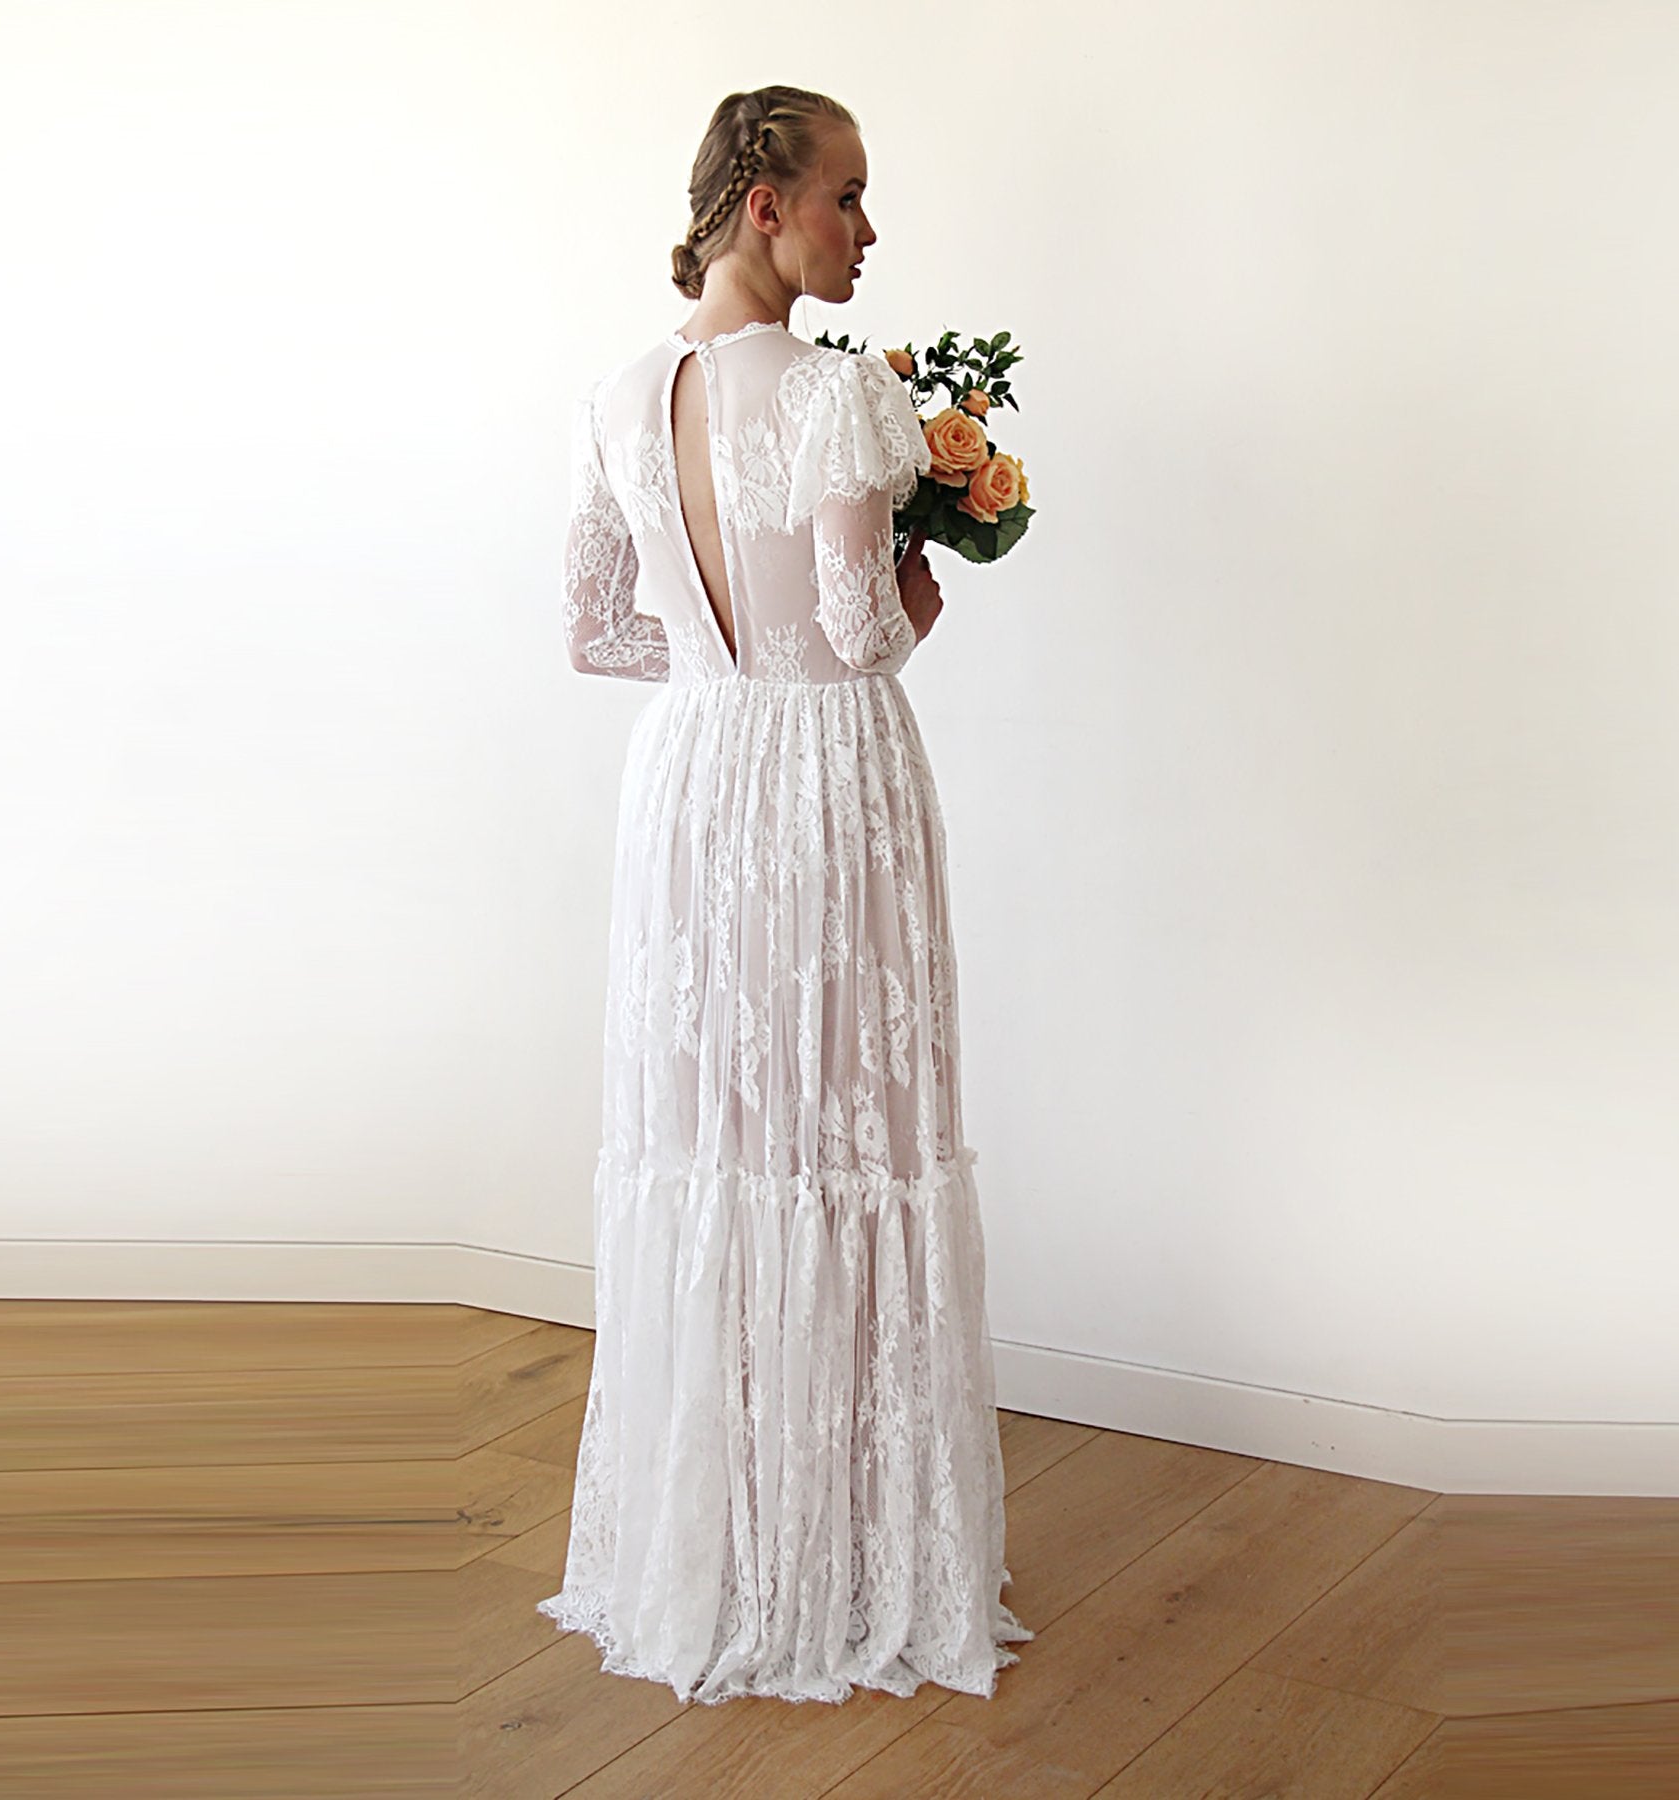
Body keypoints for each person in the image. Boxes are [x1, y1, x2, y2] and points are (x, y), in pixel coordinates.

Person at [539, 84, 1031, 1706]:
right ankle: (844, 1559)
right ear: (766, 203)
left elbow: (599, 635)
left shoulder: (622, 393)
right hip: (828, 786)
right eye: (849, 196)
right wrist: (914, 575)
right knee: (838, 1134)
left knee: (717, 1142)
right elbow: (863, 635)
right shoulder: (838, 399)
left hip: (690, 783)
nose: (866, 231)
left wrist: (713, 665)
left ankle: (714, 1551)